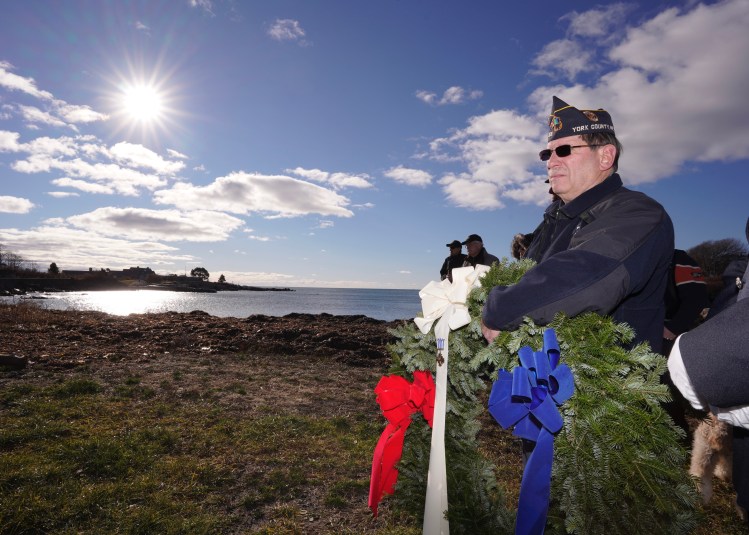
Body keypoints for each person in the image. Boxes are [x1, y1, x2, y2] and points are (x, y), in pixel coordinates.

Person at [481, 96, 674, 354]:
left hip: (610, 387)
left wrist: (497, 306)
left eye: (564, 150)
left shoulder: (638, 214)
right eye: (547, 153)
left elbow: (580, 279)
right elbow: (528, 277)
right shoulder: (553, 219)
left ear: (606, 156)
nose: (551, 161)